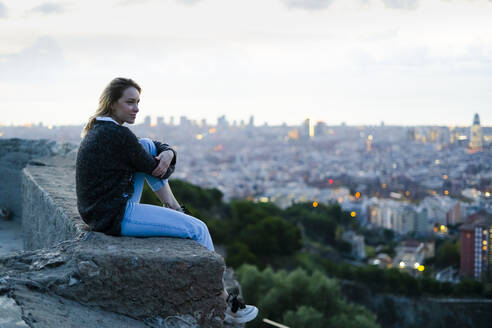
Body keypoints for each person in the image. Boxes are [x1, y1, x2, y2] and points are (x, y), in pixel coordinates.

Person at [75, 77, 258, 324]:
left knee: (148, 145)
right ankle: (225, 303)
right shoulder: (117, 135)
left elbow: (151, 153)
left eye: (138, 102)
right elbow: (157, 169)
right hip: (113, 215)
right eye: (130, 102)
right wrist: (167, 157)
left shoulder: (101, 128)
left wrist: (166, 152)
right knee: (198, 229)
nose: (136, 108)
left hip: (101, 210)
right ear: (112, 103)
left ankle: (173, 207)